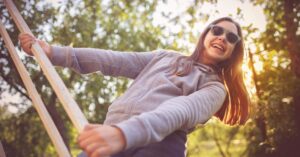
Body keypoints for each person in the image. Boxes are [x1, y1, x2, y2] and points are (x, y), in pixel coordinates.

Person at [19, 16, 250, 157]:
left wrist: (124, 134)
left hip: (158, 147)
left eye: (231, 38)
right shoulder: (165, 57)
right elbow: (113, 60)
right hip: (113, 133)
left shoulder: (215, 89)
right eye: (217, 30)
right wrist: (53, 53)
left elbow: (182, 110)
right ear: (205, 34)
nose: (222, 38)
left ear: (233, 51)